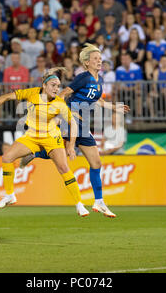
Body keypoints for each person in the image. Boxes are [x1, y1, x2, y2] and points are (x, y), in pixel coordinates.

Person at [19, 43, 130, 218]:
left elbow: (98, 101)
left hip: (84, 125)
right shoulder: (83, 77)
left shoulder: (99, 81)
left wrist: (114, 107)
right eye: (95, 59)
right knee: (61, 156)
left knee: (96, 163)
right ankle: (35, 153)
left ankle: (99, 202)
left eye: (100, 59)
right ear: (86, 63)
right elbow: (63, 94)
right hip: (70, 119)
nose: (99, 61)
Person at [0, 67, 89, 217]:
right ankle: (10, 195)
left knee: (63, 167)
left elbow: (73, 124)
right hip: (32, 137)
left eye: (58, 86)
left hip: (51, 138)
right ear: (44, 85)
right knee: (7, 158)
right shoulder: (32, 93)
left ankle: (79, 204)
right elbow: (5, 97)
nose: (56, 89)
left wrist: (70, 145)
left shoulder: (59, 103)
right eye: (53, 85)